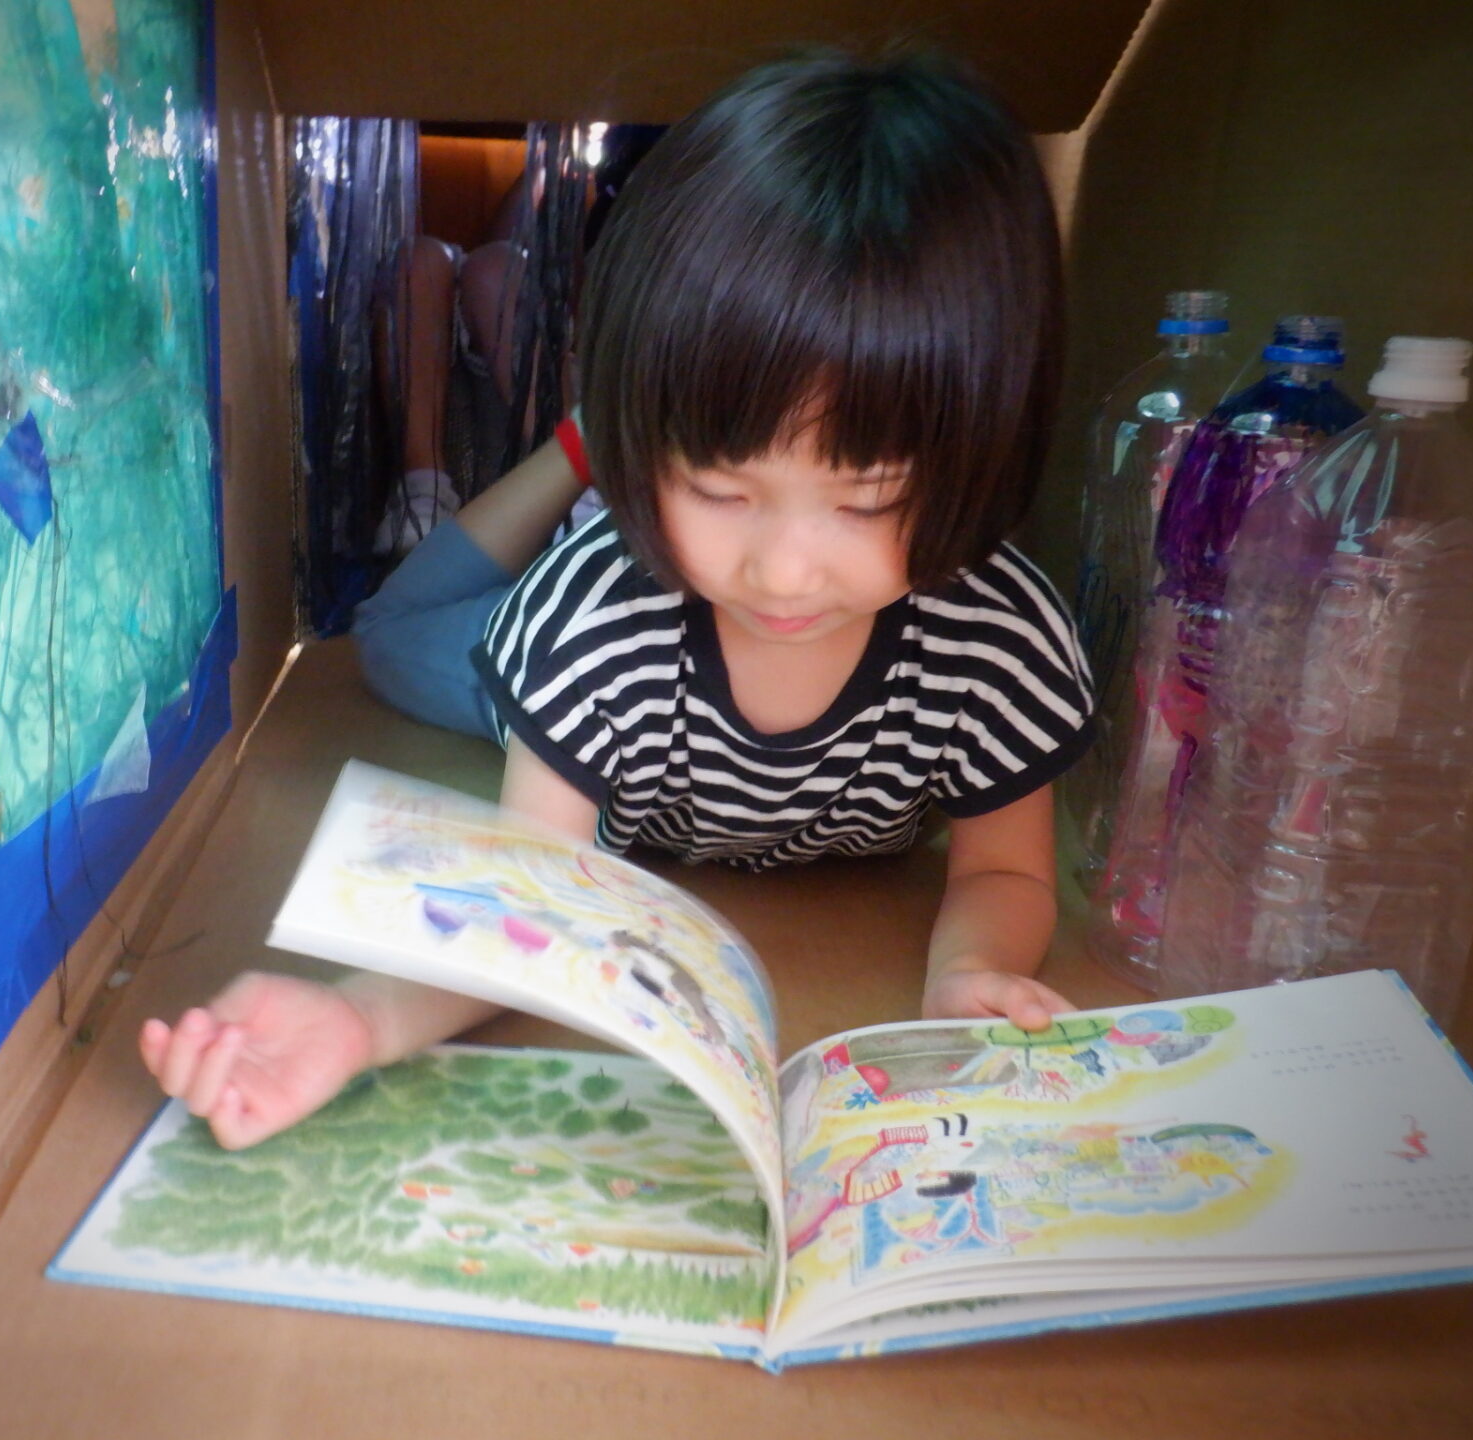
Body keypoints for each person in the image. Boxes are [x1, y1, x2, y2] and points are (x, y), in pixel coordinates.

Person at [142, 49, 1094, 1149]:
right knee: (389, 636)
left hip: (641, 637)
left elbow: (1005, 868)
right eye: (723, 488)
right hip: (577, 651)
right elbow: (530, 901)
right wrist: (360, 1018)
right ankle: (587, 445)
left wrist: (971, 970)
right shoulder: (588, 632)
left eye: (867, 499)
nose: (784, 573)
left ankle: (641, 453)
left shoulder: (1000, 639)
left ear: (988, 453)